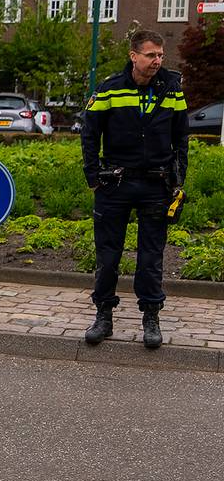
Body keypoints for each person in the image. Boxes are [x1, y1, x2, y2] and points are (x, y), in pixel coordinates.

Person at [81, 29, 188, 349]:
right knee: (108, 255)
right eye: (151, 55)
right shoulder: (110, 88)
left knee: (151, 258)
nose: (157, 60)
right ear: (134, 56)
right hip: (115, 183)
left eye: (160, 55)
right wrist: (93, 177)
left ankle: (151, 317)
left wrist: (177, 181)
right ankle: (103, 316)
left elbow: (181, 137)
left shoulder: (172, 88)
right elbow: (89, 134)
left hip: (156, 183)